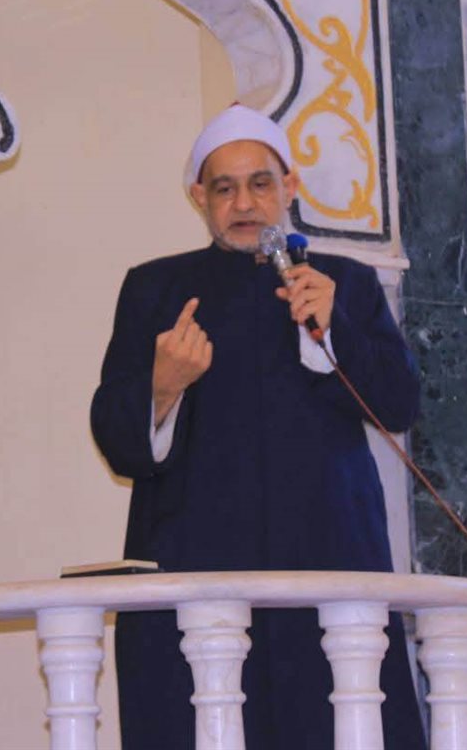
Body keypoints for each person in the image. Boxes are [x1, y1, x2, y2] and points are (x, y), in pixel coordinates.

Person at [90, 105, 427, 750]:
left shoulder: (346, 284)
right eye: (225, 188)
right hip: (198, 579)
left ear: (289, 187)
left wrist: (335, 330)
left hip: (327, 572)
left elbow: (399, 404)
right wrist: (162, 386)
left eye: (261, 183)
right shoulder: (154, 290)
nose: (244, 203)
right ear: (199, 198)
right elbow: (113, 436)